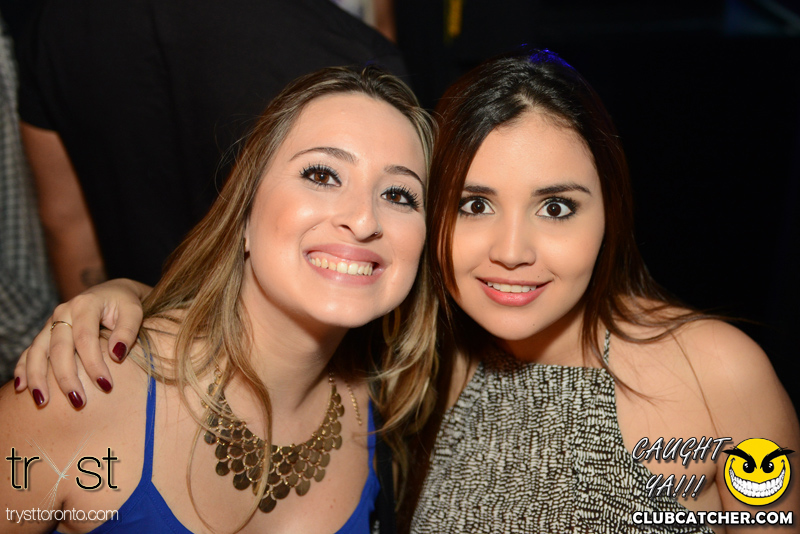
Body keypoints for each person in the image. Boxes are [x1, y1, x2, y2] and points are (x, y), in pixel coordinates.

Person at [16, 52, 800, 533]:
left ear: (612, 214)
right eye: (474, 204)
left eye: (558, 207)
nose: (514, 250)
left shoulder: (721, 375)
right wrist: (127, 298)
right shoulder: (420, 368)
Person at [1, 65, 437, 533]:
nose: (364, 220)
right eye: (322, 174)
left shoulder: (392, 411)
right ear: (244, 210)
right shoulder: (84, 387)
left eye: (399, 195)